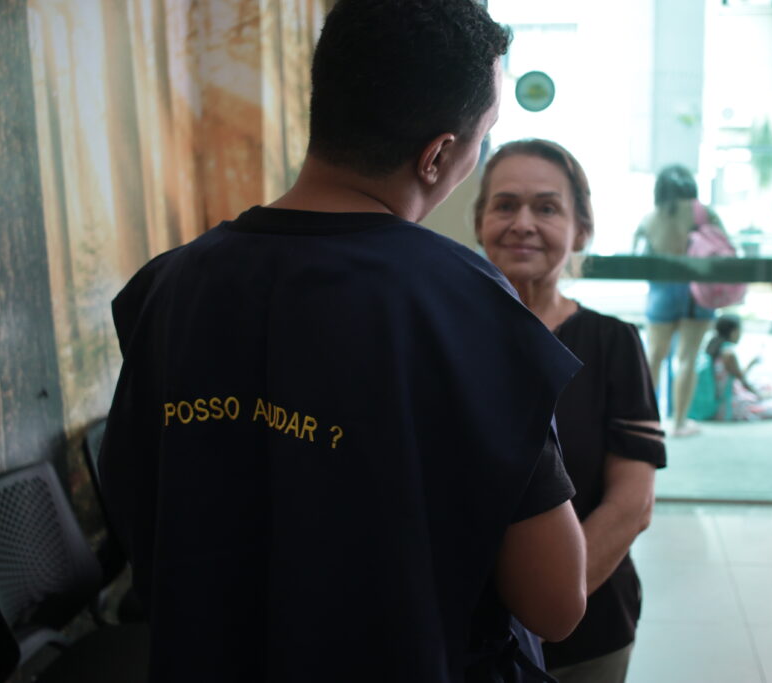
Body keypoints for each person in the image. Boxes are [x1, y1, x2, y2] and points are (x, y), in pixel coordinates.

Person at [98, 3, 588, 682]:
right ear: (437, 154)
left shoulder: (169, 287)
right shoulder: (468, 307)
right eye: (483, 137)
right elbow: (555, 602)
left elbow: (135, 510)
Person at [475, 139, 665, 683]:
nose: (523, 223)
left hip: (587, 630)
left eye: (547, 207)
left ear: (580, 230)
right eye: (505, 205)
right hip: (465, 635)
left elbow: (632, 502)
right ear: (481, 222)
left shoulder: (614, 343)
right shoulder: (448, 336)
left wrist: (549, 606)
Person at [633, 164, 727, 437]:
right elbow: (725, 248)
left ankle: (644, 421)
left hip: (661, 292)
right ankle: (679, 423)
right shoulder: (705, 214)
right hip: (698, 292)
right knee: (687, 358)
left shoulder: (651, 217)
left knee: (654, 357)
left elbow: (636, 253)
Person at [688, 314, 772, 422]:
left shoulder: (712, 347)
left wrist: (751, 364)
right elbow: (743, 381)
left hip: (715, 402)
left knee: (763, 386)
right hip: (725, 407)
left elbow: (734, 376)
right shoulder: (728, 354)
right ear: (733, 332)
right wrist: (759, 396)